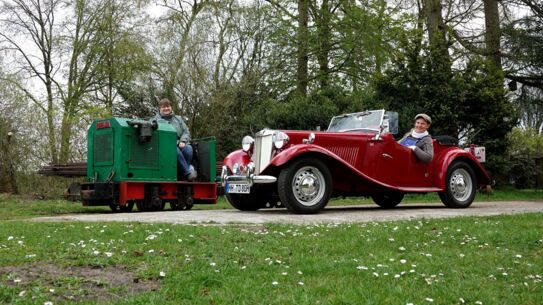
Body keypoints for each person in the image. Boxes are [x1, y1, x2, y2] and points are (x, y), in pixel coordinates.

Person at [155, 98, 196, 180]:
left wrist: (183, 141)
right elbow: (159, 136)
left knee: (188, 149)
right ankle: (187, 173)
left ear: (171, 107)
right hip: (164, 147)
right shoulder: (154, 121)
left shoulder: (179, 119)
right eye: (163, 107)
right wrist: (177, 143)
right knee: (174, 150)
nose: (166, 108)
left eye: (168, 106)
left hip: (181, 144)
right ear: (159, 109)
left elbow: (186, 132)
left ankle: (182, 174)